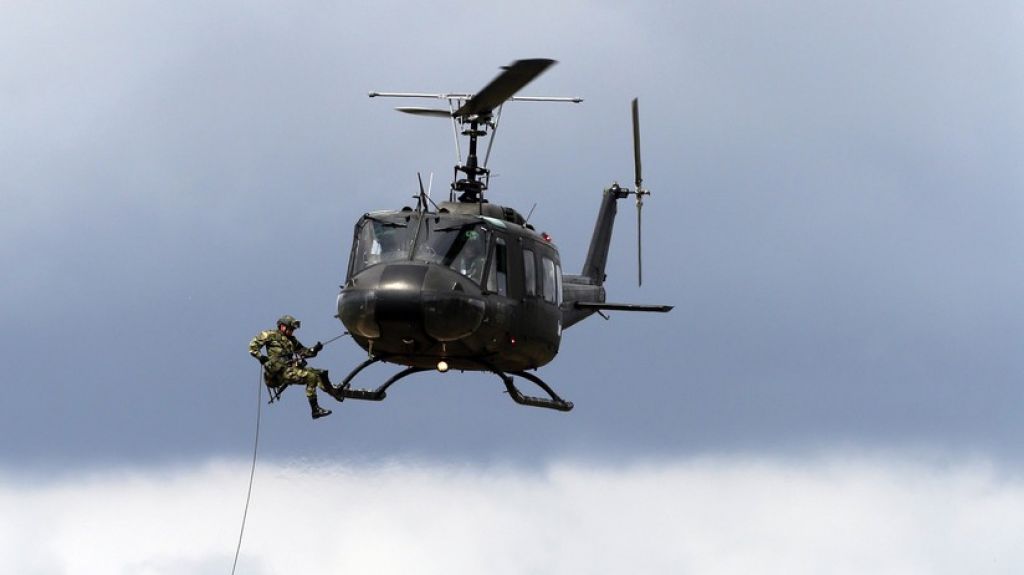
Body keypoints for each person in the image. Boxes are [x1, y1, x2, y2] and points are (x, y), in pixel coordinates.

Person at [249, 315, 337, 419]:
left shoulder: (292, 341)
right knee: (311, 377)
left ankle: (332, 389)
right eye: (290, 329)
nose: (292, 331)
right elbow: (253, 345)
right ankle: (315, 410)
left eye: (293, 329)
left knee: (319, 373)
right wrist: (261, 357)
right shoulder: (269, 335)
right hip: (279, 373)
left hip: (290, 369)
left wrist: (315, 349)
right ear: (282, 326)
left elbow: (305, 352)